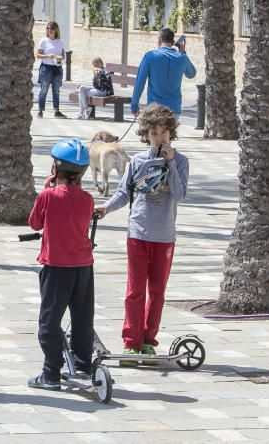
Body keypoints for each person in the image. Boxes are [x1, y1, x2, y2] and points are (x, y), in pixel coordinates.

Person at [94, 104, 189, 365]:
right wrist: (105, 208)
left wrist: (169, 164)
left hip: (164, 237)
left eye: (164, 132)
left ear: (172, 133)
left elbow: (180, 194)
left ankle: (148, 341)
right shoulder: (136, 161)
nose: (160, 138)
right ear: (146, 134)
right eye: (154, 133)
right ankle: (131, 343)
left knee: (157, 292)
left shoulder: (180, 161)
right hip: (138, 233)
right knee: (135, 290)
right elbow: (124, 193)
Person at [27, 138, 95, 390]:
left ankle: (51, 373)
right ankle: (83, 367)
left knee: (49, 321)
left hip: (56, 267)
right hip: (84, 267)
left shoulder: (48, 196)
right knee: (82, 319)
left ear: (55, 168)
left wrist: (46, 189)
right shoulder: (87, 199)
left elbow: (35, 223)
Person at [131, 28, 197, 117]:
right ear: (173, 42)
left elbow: (140, 83)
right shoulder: (182, 58)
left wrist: (134, 105)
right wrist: (183, 52)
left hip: (153, 109)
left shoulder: (150, 56)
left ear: (159, 40)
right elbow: (191, 74)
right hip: (173, 110)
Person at [36, 21, 66, 118]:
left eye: (52, 28)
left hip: (57, 68)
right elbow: (38, 55)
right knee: (44, 89)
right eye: (48, 28)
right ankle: (40, 110)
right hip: (46, 68)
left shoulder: (60, 42)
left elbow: (63, 56)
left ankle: (56, 111)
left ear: (56, 30)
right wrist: (48, 56)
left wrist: (59, 57)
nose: (50, 30)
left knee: (56, 90)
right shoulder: (44, 41)